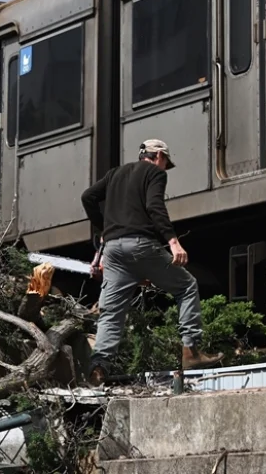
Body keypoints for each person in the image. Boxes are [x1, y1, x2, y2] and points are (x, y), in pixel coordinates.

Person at [80, 139, 222, 385]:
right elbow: (155, 206)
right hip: (140, 245)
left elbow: (87, 197)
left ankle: (98, 369)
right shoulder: (154, 172)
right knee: (186, 286)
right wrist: (173, 242)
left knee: (111, 313)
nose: (165, 168)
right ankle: (191, 352)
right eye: (166, 162)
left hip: (113, 251)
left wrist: (104, 228)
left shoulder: (115, 174)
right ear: (159, 156)